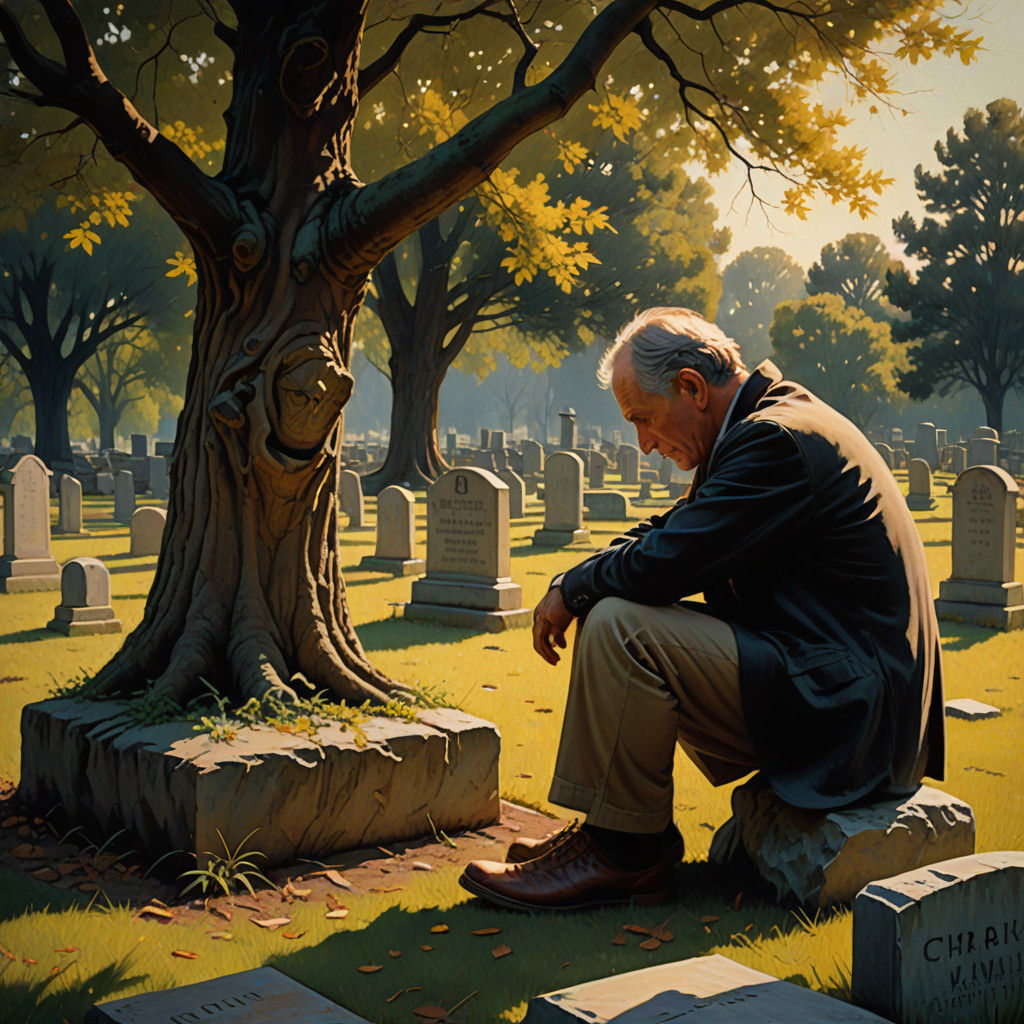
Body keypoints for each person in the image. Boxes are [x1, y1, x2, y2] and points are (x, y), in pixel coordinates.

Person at [458, 306, 944, 912]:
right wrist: (576, 578)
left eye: (643, 418)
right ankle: (617, 833)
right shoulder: (763, 424)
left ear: (691, 387)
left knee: (620, 625)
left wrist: (575, 588)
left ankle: (624, 854)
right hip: (836, 684)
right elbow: (675, 529)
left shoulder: (777, 438)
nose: (644, 443)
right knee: (611, 604)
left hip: (853, 717)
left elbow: (667, 562)